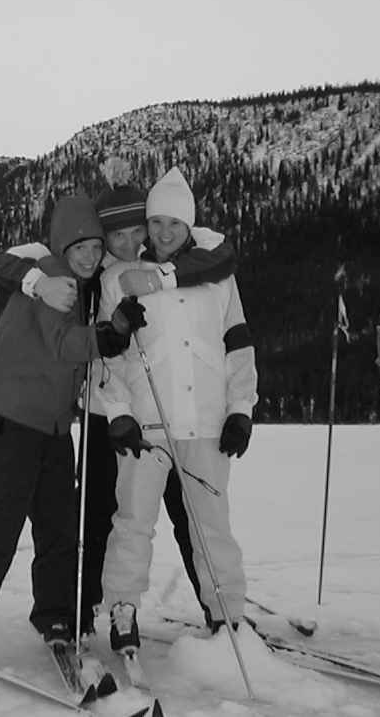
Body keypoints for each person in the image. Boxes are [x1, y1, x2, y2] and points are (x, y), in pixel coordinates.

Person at [0, 183, 237, 636]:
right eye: (115, 236)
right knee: (101, 513)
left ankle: (219, 611)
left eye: (135, 231)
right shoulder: (84, 260)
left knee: (189, 516)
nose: (127, 243)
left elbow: (221, 254)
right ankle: (84, 611)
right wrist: (39, 282)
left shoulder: (170, 262)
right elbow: (3, 261)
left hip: (165, 415)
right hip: (104, 412)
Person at [0, 195, 147, 663]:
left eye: (96, 246)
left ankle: (55, 613)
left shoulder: (79, 279)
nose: (90, 256)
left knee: (58, 524)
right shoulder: (53, 278)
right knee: (0, 524)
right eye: (81, 247)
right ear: (62, 246)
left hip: (51, 423)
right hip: (11, 416)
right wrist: (109, 335)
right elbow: (64, 343)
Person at [97, 166, 257, 652]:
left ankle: (227, 616)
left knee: (213, 528)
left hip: (206, 426)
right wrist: (118, 412)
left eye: (176, 224)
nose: (166, 233)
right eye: (158, 223)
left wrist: (241, 409)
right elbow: (109, 359)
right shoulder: (119, 279)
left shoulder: (218, 279)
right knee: (132, 523)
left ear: (190, 226)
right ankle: (123, 610)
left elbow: (238, 347)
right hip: (147, 426)